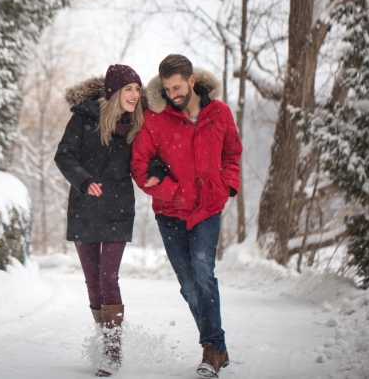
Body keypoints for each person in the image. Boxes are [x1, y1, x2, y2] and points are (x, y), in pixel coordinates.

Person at [131, 54, 243, 378]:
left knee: (204, 271)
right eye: (167, 89)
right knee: (189, 285)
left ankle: (211, 348)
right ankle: (218, 346)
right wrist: (173, 191)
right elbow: (140, 167)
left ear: (192, 82)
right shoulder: (156, 118)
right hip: (170, 214)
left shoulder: (219, 114)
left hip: (207, 208)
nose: (173, 94)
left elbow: (232, 152)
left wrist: (227, 186)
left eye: (178, 87)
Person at [54, 64, 162, 377]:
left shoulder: (139, 125)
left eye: (137, 89)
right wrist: (84, 181)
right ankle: (105, 337)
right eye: (128, 88)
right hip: (84, 208)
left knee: (108, 277)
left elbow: (150, 155)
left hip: (118, 209)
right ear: (113, 91)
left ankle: (112, 350)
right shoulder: (84, 117)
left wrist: (157, 169)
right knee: (92, 281)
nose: (134, 95)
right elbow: (64, 155)